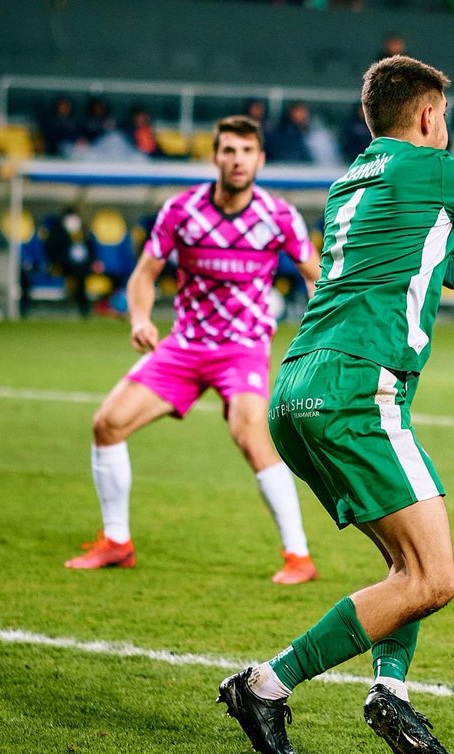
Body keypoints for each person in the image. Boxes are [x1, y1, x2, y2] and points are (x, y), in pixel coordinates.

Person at [216, 56, 454, 754]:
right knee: (435, 578)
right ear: (426, 116)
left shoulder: (351, 180)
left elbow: (448, 267)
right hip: (361, 387)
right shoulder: (433, 168)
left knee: (407, 563)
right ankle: (265, 686)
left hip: (298, 389)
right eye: (441, 115)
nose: (443, 126)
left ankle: (391, 690)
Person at [64, 116, 323, 586]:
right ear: (215, 156)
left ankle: (298, 556)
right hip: (183, 346)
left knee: (250, 435)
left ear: (260, 159)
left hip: (243, 348)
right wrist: (141, 319)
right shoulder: (181, 211)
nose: (237, 159)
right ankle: (117, 543)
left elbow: (317, 276)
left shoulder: (278, 216)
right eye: (228, 150)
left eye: (247, 151)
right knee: (107, 424)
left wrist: (319, 334)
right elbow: (144, 274)